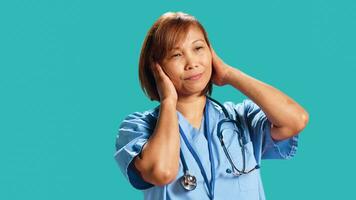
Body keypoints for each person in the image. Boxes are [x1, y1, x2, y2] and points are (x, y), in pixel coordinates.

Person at [114, 11, 309, 200]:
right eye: (176, 55)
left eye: (198, 48)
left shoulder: (241, 118)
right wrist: (168, 101)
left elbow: (296, 120)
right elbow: (162, 172)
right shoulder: (137, 128)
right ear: (156, 68)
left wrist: (228, 74)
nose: (191, 62)